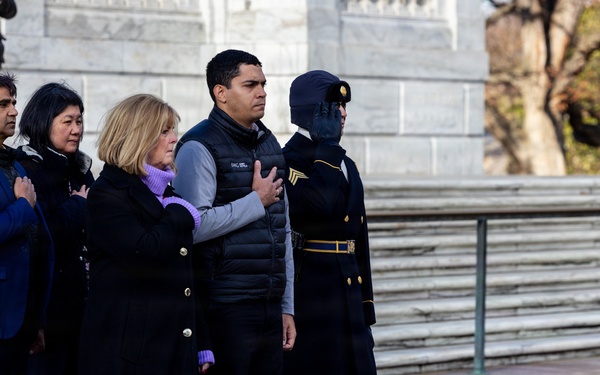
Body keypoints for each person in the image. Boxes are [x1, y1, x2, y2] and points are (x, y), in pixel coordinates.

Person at [172, 49, 296, 375]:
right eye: (251, 84)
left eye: (264, 84)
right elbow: (192, 227)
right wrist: (255, 202)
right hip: (225, 307)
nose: (263, 92)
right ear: (221, 93)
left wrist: (286, 306)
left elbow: (282, 229)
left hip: (269, 304)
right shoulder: (199, 146)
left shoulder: (270, 144)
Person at [78, 93, 213, 374]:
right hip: (130, 354)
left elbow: (186, 277)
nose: (174, 138)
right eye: (164, 131)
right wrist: (179, 214)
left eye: (172, 130)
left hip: (174, 346)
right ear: (138, 137)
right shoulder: (108, 193)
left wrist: (200, 344)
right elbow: (143, 252)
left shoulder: (166, 195)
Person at [281, 70, 377, 375]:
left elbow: (357, 238)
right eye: (335, 107)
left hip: (348, 293)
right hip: (315, 297)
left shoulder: (345, 162)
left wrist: (366, 306)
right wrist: (327, 150)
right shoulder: (288, 161)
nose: (344, 113)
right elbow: (316, 208)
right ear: (314, 113)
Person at [16, 82, 94, 375]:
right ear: (43, 123)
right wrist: (78, 206)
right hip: (49, 312)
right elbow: (42, 235)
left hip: (83, 308)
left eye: (79, 121)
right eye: (67, 122)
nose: (76, 129)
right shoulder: (27, 169)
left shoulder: (80, 168)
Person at [0, 72, 54, 374]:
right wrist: (22, 206)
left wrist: (37, 319)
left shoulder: (16, 163)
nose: (14, 111)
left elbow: (37, 243)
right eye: (3, 104)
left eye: (14, 102)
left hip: (24, 317)